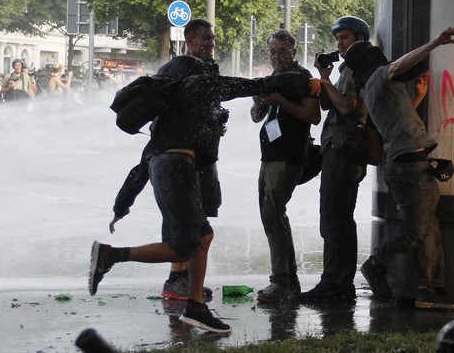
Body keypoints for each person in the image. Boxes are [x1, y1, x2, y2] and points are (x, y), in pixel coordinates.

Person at [91, 55, 314, 333]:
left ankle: (195, 307)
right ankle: (111, 256)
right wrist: (298, 82)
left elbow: (142, 166)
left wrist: (121, 207)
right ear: (193, 74)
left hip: (167, 169)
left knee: (203, 235)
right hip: (176, 169)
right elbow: (246, 86)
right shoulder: (195, 85)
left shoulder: (171, 111)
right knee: (185, 246)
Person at [343, 27, 454, 310]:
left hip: (413, 164)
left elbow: (396, 115)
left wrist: (418, 97)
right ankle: (375, 265)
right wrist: (436, 42)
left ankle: (431, 291)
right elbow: (399, 65)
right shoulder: (380, 76)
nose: (378, 53)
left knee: (428, 229)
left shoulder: (372, 88)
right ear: (370, 60)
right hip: (408, 167)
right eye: (372, 51)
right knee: (415, 232)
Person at [299, 16, 372, 302]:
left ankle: (335, 283)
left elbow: (348, 107)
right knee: (338, 218)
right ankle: (339, 282)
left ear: (360, 39)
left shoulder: (355, 69)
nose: (339, 43)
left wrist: (326, 80)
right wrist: (324, 75)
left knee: (335, 218)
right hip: (339, 148)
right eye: (337, 38)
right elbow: (330, 103)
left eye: (345, 37)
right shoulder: (346, 70)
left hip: (345, 149)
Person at [250, 29, 320, 302]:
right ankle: (288, 279)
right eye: (271, 51)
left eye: (281, 51)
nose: (276, 56)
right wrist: (259, 105)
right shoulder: (272, 80)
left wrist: (282, 101)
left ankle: (282, 281)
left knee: (272, 213)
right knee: (273, 215)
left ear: (293, 51)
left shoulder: (301, 79)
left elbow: (313, 115)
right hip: (269, 155)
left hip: (288, 155)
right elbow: (258, 117)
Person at [160, 19, 224, 301]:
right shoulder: (178, 69)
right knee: (188, 219)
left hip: (205, 154)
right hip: (186, 155)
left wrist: (216, 121)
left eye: (211, 39)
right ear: (189, 40)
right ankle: (177, 279)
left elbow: (212, 104)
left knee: (202, 213)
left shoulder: (211, 68)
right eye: (204, 39)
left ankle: (188, 280)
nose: (209, 44)